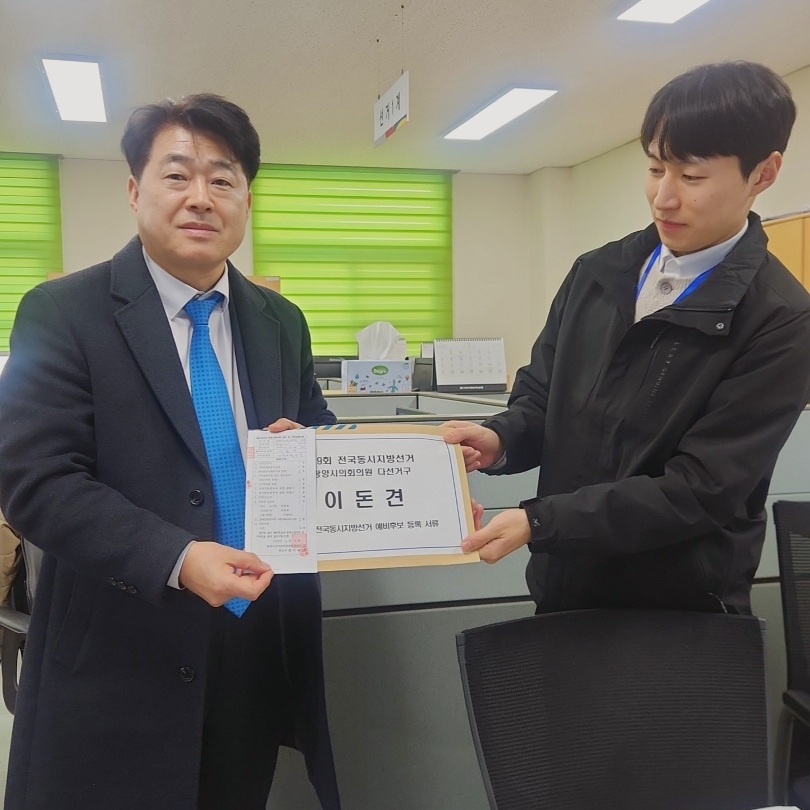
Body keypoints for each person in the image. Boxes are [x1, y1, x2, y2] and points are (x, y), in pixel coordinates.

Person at [0, 94, 341, 810]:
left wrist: (326, 455)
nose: (201, 197)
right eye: (177, 175)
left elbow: (318, 428)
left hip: (252, 644)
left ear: (247, 200)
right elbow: (36, 481)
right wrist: (179, 558)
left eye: (223, 179)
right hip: (120, 648)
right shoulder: (61, 313)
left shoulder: (281, 320)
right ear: (135, 190)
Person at [445, 61, 810, 616]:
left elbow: (702, 488)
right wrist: (499, 438)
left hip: (678, 610)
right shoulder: (598, 272)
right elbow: (542, 398)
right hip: (567, 583)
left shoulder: (779, 319)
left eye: (692, 177)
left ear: (764, 173)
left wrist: (543, 521)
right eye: (656, 168)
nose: (663, 198)